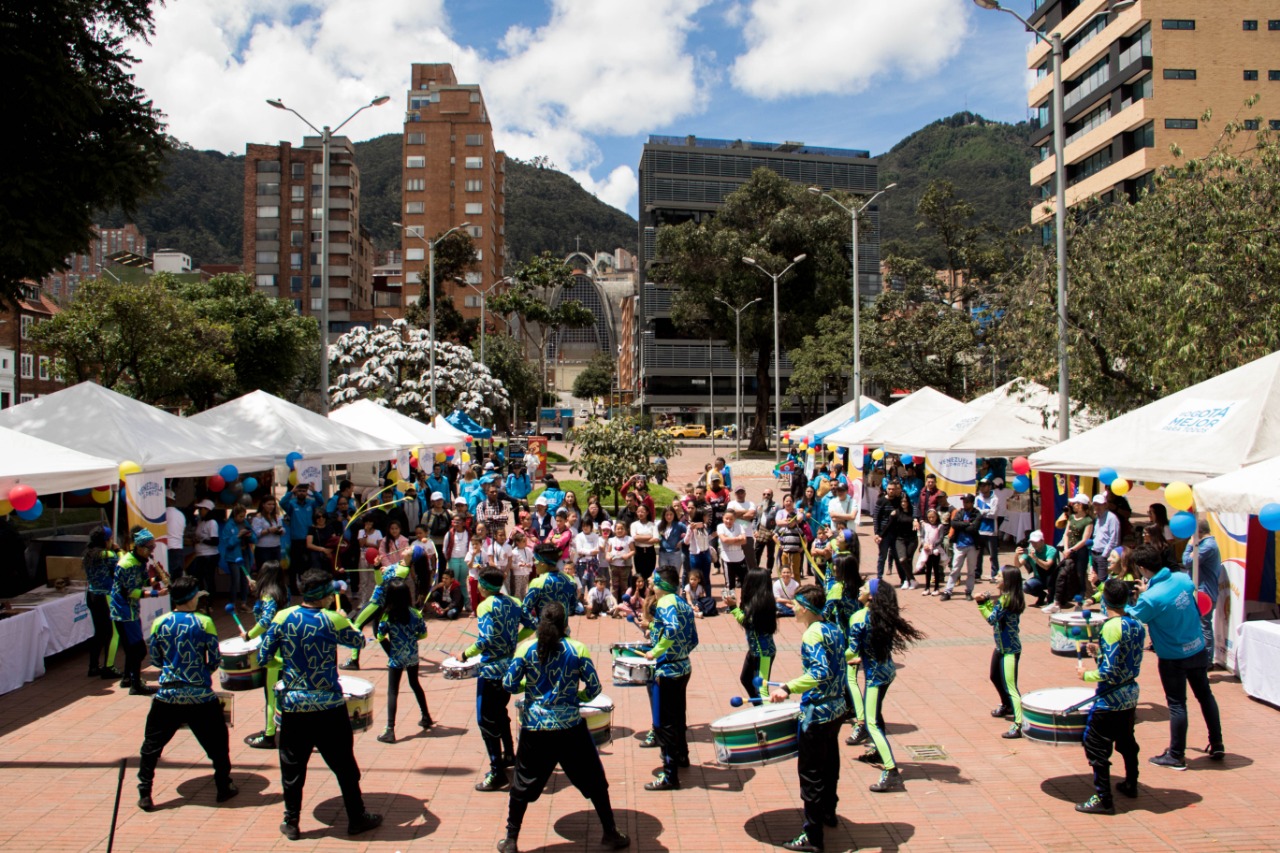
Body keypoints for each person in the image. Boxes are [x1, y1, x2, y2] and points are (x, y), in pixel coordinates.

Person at [497, 602, 629, 852]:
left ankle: (511, 839)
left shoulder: (525, 649)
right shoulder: (577, 649)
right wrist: (574, 699)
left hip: (535, 728)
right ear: (565, 621)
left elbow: (509, 684)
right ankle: (610, 832)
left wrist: (531, 690)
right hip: (570, 728)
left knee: (522, 783)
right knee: (594, 780)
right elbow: (594, 688)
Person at [136, 576, 236, 811]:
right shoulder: (204, 622)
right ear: (192, 598)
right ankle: (223, 786)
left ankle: (145, 791)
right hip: (199, 694)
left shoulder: (160, 622)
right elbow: (215, 658)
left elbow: (156, 659)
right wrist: (202, 673)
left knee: (152, 745)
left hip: (168, 694)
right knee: (218, 744)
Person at [1128, 547, 1224, 770]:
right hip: (1198, 648)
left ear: (1142, 569)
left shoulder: (1151, 598)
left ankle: (1176, 755)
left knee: (1177, 705)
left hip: (1173, 657)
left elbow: (1134, 615)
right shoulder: (1182, 579)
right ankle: (1217, 743)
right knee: (1205, 696)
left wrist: (1142, 593)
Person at [769, 583, 846, 853]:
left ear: (808, 608)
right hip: (837, 709)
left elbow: (819, 672)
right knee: (829, 763)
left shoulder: (812, 634)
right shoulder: (833, 628)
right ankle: (828, 812)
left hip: (819, 713)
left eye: (797, 603)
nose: (794, 607)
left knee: (811, 773)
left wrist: (787, 687)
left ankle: (813, 836)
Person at [1075, 578, 1146, 815]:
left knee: (1095, 744)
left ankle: (1104, 798)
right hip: (1130, 694)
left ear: (1105, 600)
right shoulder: (1136, 623)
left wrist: (1086, 675)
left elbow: (1109, 671)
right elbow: (1123, 659)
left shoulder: (1111, 627)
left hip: (1111, 698)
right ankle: (1131, 783)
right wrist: (1100, 653)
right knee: (1126, 741)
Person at [847, 579, 924, 792]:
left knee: (870, 721)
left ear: (870, 597)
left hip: (874, 677)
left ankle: (891, 771)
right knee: (876, 713)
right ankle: (879, 752)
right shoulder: (882, 615)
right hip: (887, 671)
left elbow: (851, 651)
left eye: (864, 587)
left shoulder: (858, 618)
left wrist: (833, 653)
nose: (860, 588)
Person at [468, 568, 535, 791]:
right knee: (500, 712)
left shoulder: (485, 606)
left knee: (485, 720)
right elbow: (531, 625)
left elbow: (485, 640)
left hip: (490, 670)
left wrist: (465, 654)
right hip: (510, 666)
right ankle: (509, 754)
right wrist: (513, 639)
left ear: (485, 586)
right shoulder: (515, 601)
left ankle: (497, 771)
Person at [643, 565, 699, 791]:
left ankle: (669, 775)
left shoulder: (666, 602)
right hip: (684, 667)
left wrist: (656, 652)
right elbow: (693, 638)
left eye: (653, 582)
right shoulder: (682, 602)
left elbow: (672, 629)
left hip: (668, 670)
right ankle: (682, 756)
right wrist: (680, 653)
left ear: (660, 585)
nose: (651, 586)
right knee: (678, 717)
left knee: (666, 724)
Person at [374, 578, 432, 744]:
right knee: (415, 683)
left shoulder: (388, 616)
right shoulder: (415, 614)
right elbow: (423, 634)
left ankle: (390, 729)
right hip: (412, 654)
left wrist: (390, 648)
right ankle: (426, 716)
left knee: (393, 691)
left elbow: (379, 636)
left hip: (396, 656)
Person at [241, 561, 289, 749]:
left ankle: (270, 735)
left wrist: (249, 635)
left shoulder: (268, 595)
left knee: (271, 694)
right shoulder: (283, 591)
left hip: (273, 649)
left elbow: (266, 619)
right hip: (285, 645)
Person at [976, 567, 1026, 739]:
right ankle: (1007, 705)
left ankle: (1019, 724)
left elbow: (992, 619)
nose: (995, 578)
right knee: (994, 676)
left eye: (999, 576)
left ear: (1007, 581)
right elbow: (997, 616)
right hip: (1001, 648)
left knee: (1011, 687)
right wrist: (988, 602)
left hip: (1009, 650)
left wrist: (981, 603)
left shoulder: (1006, 600)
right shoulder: (1008, 598)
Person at [111, 529, 162, 694]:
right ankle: (135, 685)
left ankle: (128, 678)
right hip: (124, 612)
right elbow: (131, 591)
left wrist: (157, 579)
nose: (151, 552)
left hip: (131, 610)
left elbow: (142, 581)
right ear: (139, 547)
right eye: (149, 548)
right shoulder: (127, 564)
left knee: (132, 649)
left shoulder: (139, 561)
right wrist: (156, 593)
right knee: (138, 649)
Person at [342, 551, 412, 670]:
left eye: (410, 549)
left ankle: (354, 661)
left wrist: (376, 568)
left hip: (377, 601)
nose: (407, 548)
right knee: (377, 633)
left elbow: (381, 582)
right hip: (382, 602)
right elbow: (385, 575)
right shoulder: (400, 564)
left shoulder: (402, 570)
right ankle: (396, 658)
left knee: (356, 625)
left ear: (412, 556)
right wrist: (380, 567)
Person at [725, 569, 777, 700]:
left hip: (763, 653)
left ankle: (766, 716)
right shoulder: (760, 600)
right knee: (746, 679)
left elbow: (747, 622)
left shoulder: (760, 603)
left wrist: (733, 607)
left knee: (761, 689)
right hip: (755, 649)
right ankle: (758, 708)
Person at [83, 526, 118, 678]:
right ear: (106, 541)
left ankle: (93, 666)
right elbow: (122, 564)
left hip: (91, 595)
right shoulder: (108, 554)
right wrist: (118, 550)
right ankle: (108, 667)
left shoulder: (88, 555)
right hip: (106, 596)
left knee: (99, 632)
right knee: (112, 633)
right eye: (111, 539)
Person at [1183, 519, 1222, 654]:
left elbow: (1187, 561)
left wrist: (1189, 545)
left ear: (1198, 531)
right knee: (1199, 625)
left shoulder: (1208, 546)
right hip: (1201, 591)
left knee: (1204, 626)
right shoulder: (1205, 544)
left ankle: (1207, 659)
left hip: (1204, 593)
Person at [1053, 494, 1094, 612]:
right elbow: (1066, 533)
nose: (1073, 505)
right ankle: (1060, 599)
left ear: (1081, 505)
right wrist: (1066, 548)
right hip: (1069, 550)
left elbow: (1085, 539)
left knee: (1080, 575)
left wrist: (1072, 549)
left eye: (1075, 503)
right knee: (1064, 572)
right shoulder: (1071, 518)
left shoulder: (1088, 520)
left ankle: (1079, 600)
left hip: (1080, 551)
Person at [523, 543, 579, 629]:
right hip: (563, 631)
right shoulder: (570, 581)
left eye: (536, 561)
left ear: (543, 564)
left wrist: (535, 625)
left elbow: (524, 610)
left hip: (544, 633)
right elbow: (572, 607)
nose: (535, 564)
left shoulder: (538, 583)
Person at [940, 494, 980, 602]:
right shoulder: (960, 512)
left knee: (971, 571)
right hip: (959, 545)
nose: (965, 503)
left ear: (972, 503)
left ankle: (968, 591)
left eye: (967, 502)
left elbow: (974, 528)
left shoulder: (977, 513)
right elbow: (954, 523)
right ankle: (948, 591)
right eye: (964, 501)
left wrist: (962, 525)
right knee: (955, 569)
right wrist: (967, 524)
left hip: (972, 546)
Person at [280, 483, 322, 588]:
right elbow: (282, 503)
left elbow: (321, 502)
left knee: (308, 564)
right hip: (296, 539)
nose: (301, 493)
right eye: (299, 491)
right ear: (296, 492)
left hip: (309, 539)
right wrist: (291, 492)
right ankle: (293, 587)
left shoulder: (311, 503)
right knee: (294, 564)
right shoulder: (292, 504)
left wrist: (315, 492)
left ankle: (306, 585)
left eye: (303, 491)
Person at [219, 504, 257, 612]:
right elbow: (228, 544)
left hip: (245, 553)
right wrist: (238, 536)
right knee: (235, 580)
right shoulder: (229, 525)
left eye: (244, 516)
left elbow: (254, 538)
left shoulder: (245, 523)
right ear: (235, 515)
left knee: (246, 579)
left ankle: (243, 603)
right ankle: (233, 603)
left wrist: (250, 536)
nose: (242, 518)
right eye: (240, 516)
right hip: (234, 556)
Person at [1016, 530, 1059, 608]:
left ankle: (1052, 597)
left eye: (1036, 541)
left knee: (1052, 584)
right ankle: (1042, 595)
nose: (1033, 544)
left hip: (1052, 578)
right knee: (1025, 587)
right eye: (1032, 542)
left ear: (1042, 541)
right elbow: (1018, 565)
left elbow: (1047, 566)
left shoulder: (1051, 550)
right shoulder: (1029, 550)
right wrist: (1016, 555)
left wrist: (1035, 558)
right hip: (1038, 578)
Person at [189, 499, 221, 600]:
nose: (199, 511)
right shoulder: (201, 522)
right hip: (200, 554)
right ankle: (202, 598)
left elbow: (215, 541)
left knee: (208, 578)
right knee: (198, 577)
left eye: (201, 509)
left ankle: (210, 601)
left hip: (209, 555)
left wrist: (202, 540)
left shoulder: (212, 523)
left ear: (207, 510)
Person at [872, 481, 902, 580]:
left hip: (896, 533)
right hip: (883, 534)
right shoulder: (881, 501)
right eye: (889, 489)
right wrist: (876, 533)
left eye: (893, 489)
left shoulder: (899, 500)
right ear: (886, 489)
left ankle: (903, 579)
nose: (891, 491)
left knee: (898, 557)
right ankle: (879, 578)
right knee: (882, 557)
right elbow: (876, 518)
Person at [974, 478, 1001, 582]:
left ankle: (995, 574)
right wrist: (986, 512)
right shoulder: (977, 498)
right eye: (981, 485)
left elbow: (993, 515)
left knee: (993, 555)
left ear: (989, 486)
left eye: (984, 485)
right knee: (978, 554)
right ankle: (977, 573)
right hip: (980, 530)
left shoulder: (995, 499)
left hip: (991, 531)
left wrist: (982, 512)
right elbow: (976, 513)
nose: (982, 487)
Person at [717, 507, 750, 592]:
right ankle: (732, 605)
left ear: (734, 519)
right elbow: (724, 540)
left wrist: (730, 540)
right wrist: (738, 538)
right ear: (723, 518)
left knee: (745, 583)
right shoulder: (720, 527)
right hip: (727, 559)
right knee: (730, 585)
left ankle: (743, 604)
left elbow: (744, 540)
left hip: (740, 558)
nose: (728, 521)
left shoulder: (739, 526)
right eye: (726, 519)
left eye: (731, 519)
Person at [1091, 494, 1121, 583]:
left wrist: (1104, 555)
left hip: (1103, 555)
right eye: (1095, 504)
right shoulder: (1097, 518)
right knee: (1095, 581)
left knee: (1102, 581)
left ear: (1105, 505)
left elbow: (1114, 539)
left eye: (1100, 504)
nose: (1097, 507)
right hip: (1094, 553)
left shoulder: (1112, 518)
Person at [917, 508, 946, 597]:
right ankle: (927, 587)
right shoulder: (925, 526)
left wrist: (933, 544)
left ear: (937, 517)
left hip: (935, 550)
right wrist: (924, 543)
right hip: (927, 550)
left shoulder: (940, 526)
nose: (931, 519)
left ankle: (936, 588)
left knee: (936, 569)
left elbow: (941, 538)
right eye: (929, 517)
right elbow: (922, 536)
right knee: (928, 569)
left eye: (933, 517)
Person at [252, 496, 288, 566]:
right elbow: (256, 533)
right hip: (263, 548)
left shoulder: (276, 517)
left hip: (276, 546)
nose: (271, 506)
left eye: (273, 504)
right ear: (263, 505)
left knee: (276, 569)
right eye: (269, 504)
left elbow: (283, 529)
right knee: (265, 570)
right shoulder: (258, 517)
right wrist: (268, 530)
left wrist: (280, 531)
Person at [604, 521, 634, 603]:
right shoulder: (611, 540)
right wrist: (607, 557)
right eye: (618, 529)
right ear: (614, 530)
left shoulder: (629, 539)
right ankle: (613, 604)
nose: (620, 530)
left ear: (625, 530)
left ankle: (625, 603)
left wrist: (627, 555)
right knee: (614, 585)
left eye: (622, 529)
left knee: (624, 585)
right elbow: (608, 551)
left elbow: (633, 550)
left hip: (624, 566)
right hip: (614, 565)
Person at [630, 504, 658, 580]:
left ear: (647, 512)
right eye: (638, 511)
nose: (640, 513)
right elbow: (634, 538)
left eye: (642, 511)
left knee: (649, 574)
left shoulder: (652, 525)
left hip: (650, 552)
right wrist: (649, 536)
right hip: (639, 552)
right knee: (639, 575)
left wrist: (640, 537)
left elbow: (655, 539)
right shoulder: (634, 525)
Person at [754, 488, 779, 573]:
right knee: (757, 552)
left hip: (771, 533)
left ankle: (769, 571)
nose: (766, 496)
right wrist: (755, 530)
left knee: (770, 554)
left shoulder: (776, 506)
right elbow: (755, 519)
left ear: (772, 495)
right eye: (764, 494)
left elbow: (778, 520)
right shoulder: (759, 506)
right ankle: (756, 570)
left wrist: (775, 531)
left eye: (768, 494)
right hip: (760, 531)